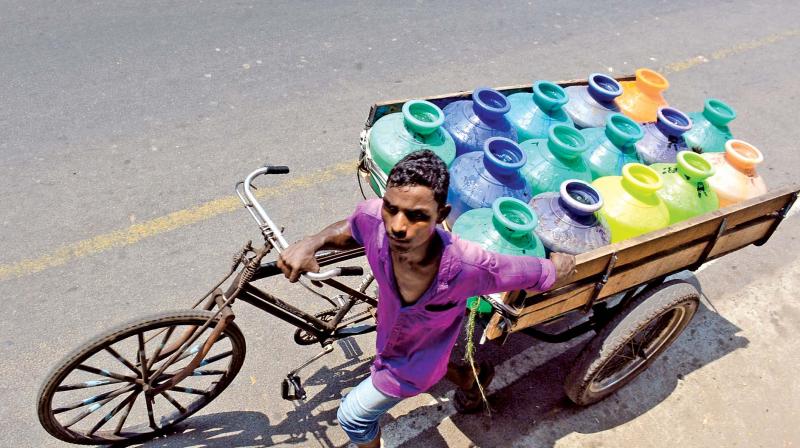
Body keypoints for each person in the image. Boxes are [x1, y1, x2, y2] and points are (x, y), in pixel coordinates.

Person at [277, 150, 576, 448]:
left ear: (441, 216)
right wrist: (311, 242)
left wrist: (555, 268)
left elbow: (521, 270)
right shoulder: (373, 218)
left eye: (417, 216)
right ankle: (472, 380)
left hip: (414, 363)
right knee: (438, 364)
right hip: (397, 333)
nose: (397, 225)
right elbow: (351, 228)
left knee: (353, 417)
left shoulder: (466, 267)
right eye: (391, 208)